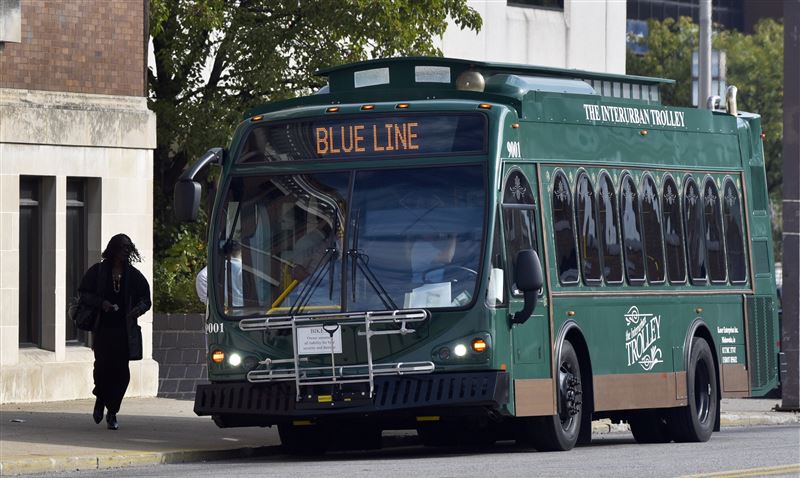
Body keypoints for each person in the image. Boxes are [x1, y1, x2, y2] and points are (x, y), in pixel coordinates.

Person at [78, 234, 151, 430]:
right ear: (114, 249)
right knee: (102, 368)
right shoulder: (99, 271)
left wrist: (138, 309)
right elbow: (84, 293)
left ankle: (112, 411)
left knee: (121, 373)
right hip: (103, 329)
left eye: (129, 247)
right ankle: (100, 398)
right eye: (122, 247)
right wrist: (102, 303)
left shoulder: (133, 275)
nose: (126, 251)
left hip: (124, 331)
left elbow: (146, 299)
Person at [195, 241, 243, 307]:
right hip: (247, 311)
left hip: (223, 313)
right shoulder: (247, 269)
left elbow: (201, 277)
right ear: (241, 251)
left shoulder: (213, 269)